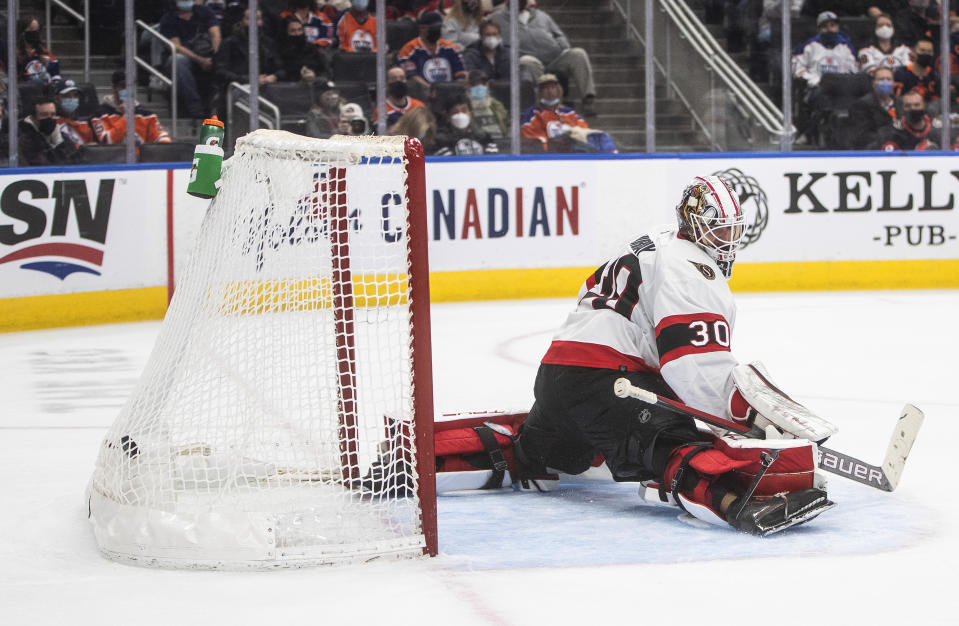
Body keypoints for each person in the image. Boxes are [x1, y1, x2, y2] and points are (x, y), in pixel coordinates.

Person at [512, 175, 835, 536]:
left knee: (548, 454)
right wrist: (746, 422)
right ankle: (735, 504)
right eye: (717, 231)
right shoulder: (692, 269)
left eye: (731, 231)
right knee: (676, 442)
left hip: (556, 376)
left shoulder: (658, 237)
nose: (725, 242)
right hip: (611, 382)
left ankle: (511, 450)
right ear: (693, 223)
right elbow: (694, 368)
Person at [490, 0, 597, 116]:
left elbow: (559, 35)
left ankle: (588, 99)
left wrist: (560, 45)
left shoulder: (542, 15)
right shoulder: (497, 18)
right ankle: (546, 103)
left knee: (578, 54)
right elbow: (483, 31)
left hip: (555, 58)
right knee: (527, 61)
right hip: (529, 59)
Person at [159, 0, 222, 118]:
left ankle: (218, 107)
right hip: (188, 57)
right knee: (177, 60)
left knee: (225, 60)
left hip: (209, 53)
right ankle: (195, 108)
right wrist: (200, 60)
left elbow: (215, 34)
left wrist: (216, 57)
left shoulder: (205, 12)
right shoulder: (168, 19)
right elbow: (176, 47)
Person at [90, 71, 171, 145]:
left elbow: (162, 138)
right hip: (112, 159)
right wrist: (126, 117)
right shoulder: (99, 114)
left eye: (131, 86)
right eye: (123, 86)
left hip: (140, 159)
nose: (128, 89)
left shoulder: (146, 114)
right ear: (114, 88)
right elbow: (106, 142)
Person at [520, 73, 590, 153]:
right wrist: (554, 145)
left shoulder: (570, 113)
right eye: (545, 88)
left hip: (571, 157)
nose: (550, 92)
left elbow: (585, 133)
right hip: (546, 158)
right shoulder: (531, 114)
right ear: (539, 92)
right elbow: (531, 140)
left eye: (552, 88)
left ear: (558, 90)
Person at [214, 7, 280, 91]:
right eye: (249, 19)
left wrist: (274, 76)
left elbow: (280, 68)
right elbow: (220, 71)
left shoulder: (268, 43)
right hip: (237, 89)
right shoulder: (229, 43)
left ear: (262, 22)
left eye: (257, 19)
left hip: (266, 88)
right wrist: (248, 79)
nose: (254, 23)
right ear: (241, 22)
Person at [398, 11, 468, 90]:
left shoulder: (451, 47)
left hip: (450, 92)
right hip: (422, 93)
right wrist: (432, 90)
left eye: (439, 28)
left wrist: (455, 88)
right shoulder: (409, 49)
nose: (437, 31)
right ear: (422, 28)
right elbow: (412, 77)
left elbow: (461, 72)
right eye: (434, 28)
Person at [18, 96, 79, 165]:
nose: (50, 118)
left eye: (53, 114)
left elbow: (75, 162)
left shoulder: (64, 139)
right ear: (33, 118)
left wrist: (60, 143)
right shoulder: (25, 142)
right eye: (44, 115)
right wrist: (57, 146)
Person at [848, 65, 897, 148]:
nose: (885, 82)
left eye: (888, 79)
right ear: (874, 83)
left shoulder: (900, 103)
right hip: (873, 150)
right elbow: (862, 135)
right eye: (881, 79)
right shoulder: (861, 105)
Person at [872, 88, 938, 149]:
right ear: (902, 108)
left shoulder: (937, 129)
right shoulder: (892, 133)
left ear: (924, 106)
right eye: (908, 106)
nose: (912, 108)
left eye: (917, 105)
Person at [433, 95, 498, 155]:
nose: (460, 114)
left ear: (471, 113)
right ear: (448, 116)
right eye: (455, 112)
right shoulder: (440, 139)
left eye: (464, 111)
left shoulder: (483, 136)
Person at [277, 16, 330, 83]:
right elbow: (280, 72)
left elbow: (324, 70)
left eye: (300, 30)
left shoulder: (312, 48)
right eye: (292, 31)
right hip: (289, 86)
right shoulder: (278, 50)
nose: (297, 34)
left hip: (314, 84)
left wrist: (314, 75)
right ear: (285, 32)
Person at [16, 15, 61, 86]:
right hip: (22, 93)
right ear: (22, 32)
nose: (34, 32)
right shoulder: (12, 53)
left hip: (44, 93)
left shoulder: (45, 53)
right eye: (31, 29)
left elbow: (55, 76)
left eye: (37, 30)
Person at [467, 69, 508, 143]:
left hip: (500, 144)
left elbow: (508, 125)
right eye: (474, 84)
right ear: (468, 87)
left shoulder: (496, 105)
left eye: (483, 83)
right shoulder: (464, 108)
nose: (479, 87)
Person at [54, 79, 95, 147]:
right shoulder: (52, 125)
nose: (72, 99)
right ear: (56, 99)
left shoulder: (85, 125)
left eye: (75, 95)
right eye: (66, 96)